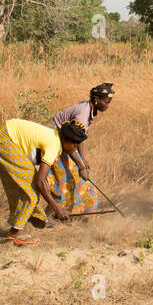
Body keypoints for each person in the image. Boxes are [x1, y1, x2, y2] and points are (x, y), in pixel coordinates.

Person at [0, 117, 89, 242]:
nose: (75, 148)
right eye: (74, 144)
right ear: (65, 140)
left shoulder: (58, 139)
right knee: (31, 188)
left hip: (4, 135)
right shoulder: (53, 145)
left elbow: (41, 179)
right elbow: (40, 181)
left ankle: (32, 216)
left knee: (28, 183)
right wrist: (57, 208)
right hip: (4, 137)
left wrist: (81, 166)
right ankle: (16, 231)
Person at [38, 82, 115, 223]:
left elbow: (78, 138)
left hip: (63, 140)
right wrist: (81, 166)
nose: (107, 105)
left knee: (67, 179)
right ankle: (47, 218)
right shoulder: (84, 112)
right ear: (96, 100)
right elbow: (71, 140)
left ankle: (49, 216)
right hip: (54, 138)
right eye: (106, 101)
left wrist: (82, 159)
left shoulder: (90, 109)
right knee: (64, 180)